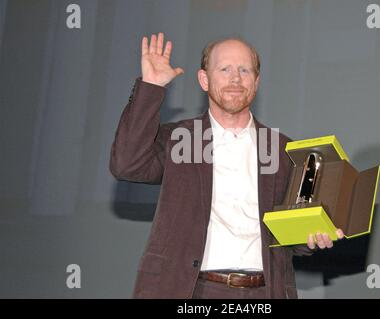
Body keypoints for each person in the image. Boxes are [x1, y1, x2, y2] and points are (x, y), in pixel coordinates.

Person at [109, 32, 344, 299]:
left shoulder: (283, 150)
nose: (235, 78)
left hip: (265, 293)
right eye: (225, 69)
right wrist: (151, 87)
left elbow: (291, 237)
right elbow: (126, 164)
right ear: (204, 80)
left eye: (244, 70)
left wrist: (311, 236)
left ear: (256, 82)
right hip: (192, 291)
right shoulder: (181, 140)